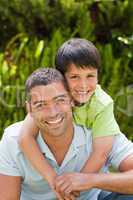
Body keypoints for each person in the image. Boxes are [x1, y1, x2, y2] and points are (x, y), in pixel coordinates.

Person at [1, 68, 133, 200]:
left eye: (60, 100)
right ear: (29, 108)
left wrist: (90, 180)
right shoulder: (12, 140)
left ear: (71, 100)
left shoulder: (100, 131)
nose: (53, 113)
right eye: (41, 105)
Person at [19, 38, 121, 194]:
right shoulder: (49, 100)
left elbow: (101, 153)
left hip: (92, 185)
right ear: (61, 77)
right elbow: (25, 138)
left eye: (90, 76)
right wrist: (52, 178)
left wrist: (76, 186)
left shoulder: (102, 104)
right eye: (74, 77)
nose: (83, 85)